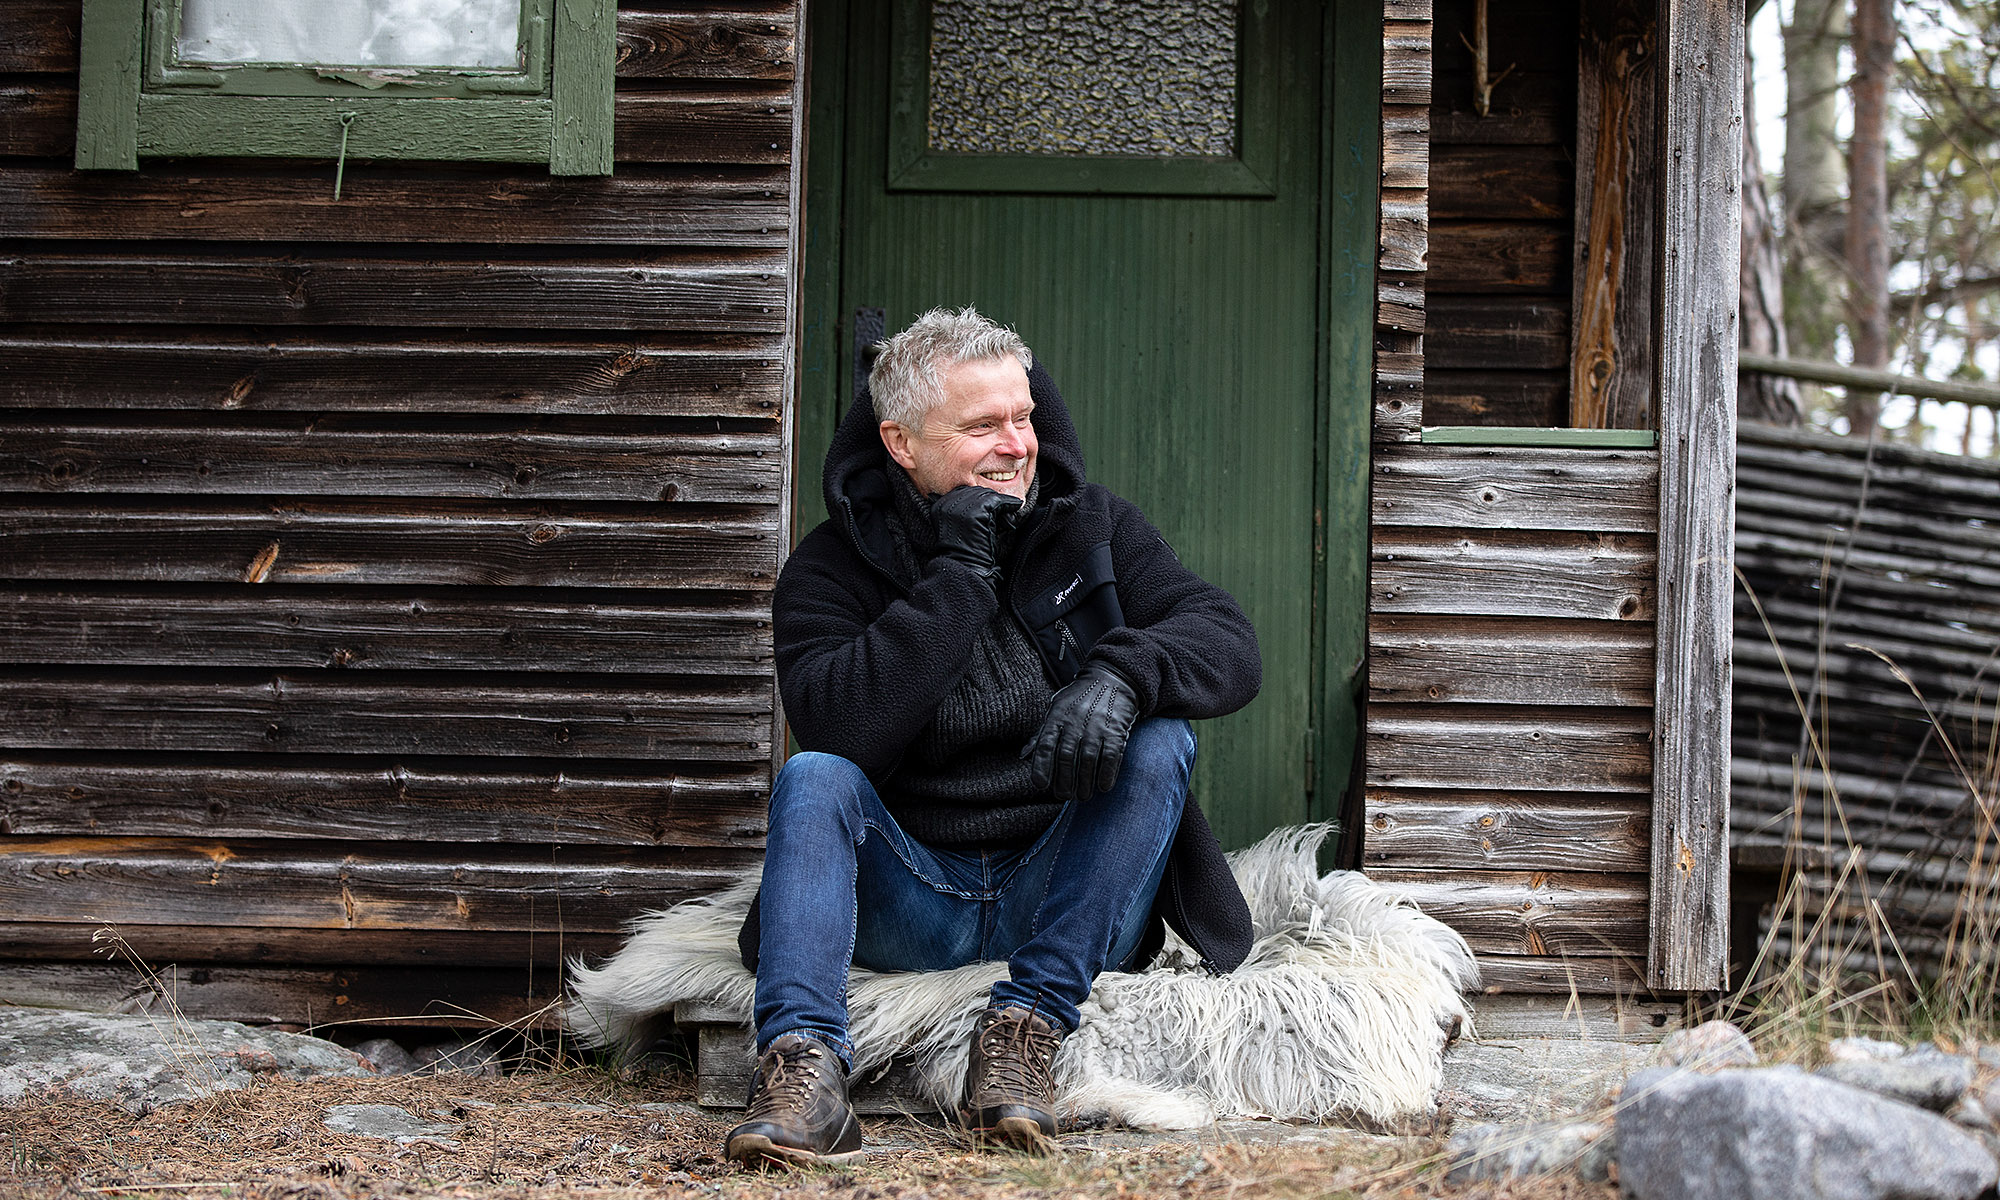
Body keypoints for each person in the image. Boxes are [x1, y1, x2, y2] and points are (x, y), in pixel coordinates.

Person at [724, 308, 1262, 1167]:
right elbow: (838, 723)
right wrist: (960, 575)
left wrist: (1122, 674)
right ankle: (805, 1068)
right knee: (815, 774)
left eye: (1023, 418)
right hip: (908, 902)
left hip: (1065, 896)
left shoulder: (1094, 527)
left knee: (1160, 742)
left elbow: (1229, 641)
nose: (1016, 445)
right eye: (982, 426)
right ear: (901, 444)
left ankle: (1025, 1031)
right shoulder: (830, 565)